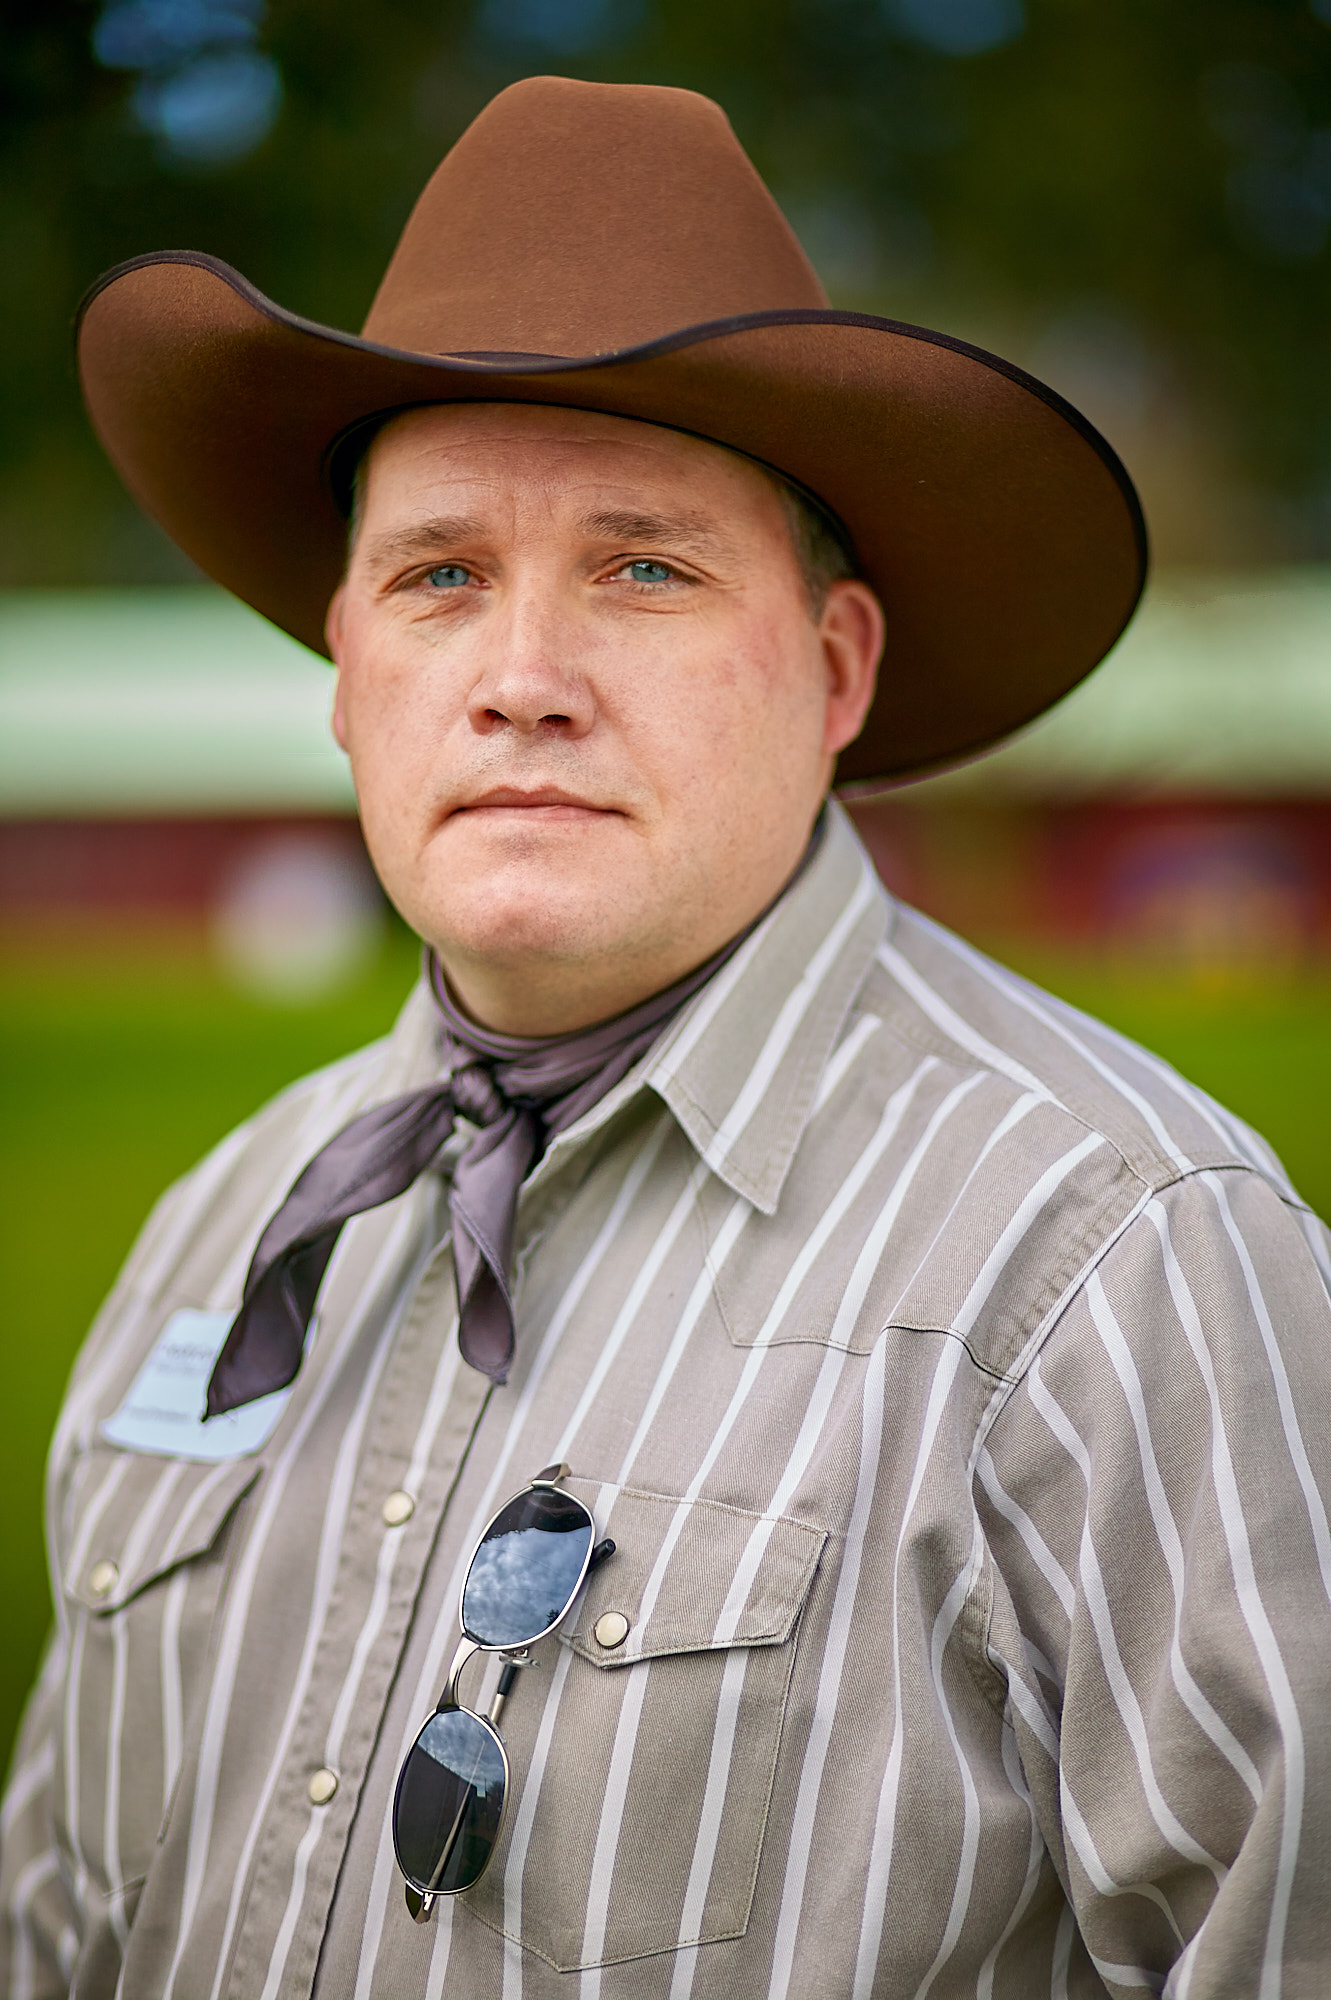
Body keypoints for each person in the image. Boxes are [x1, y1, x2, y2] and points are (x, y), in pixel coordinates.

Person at [2, 73, 1328, 2000]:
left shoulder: (1123, 1260)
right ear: (348, 677)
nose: (521, 681)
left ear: (835, 667)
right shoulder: (219, 1234)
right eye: (441, 576)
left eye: (645, 567)